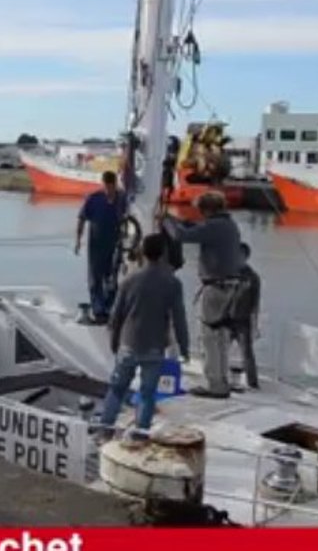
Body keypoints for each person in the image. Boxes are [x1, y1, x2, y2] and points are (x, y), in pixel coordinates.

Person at [97, 232, 190, 441]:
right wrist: (184, 347)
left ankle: (105, 430)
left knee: (117, 390)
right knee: (148, 394)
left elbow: (116, 317)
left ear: (142, 252)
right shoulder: (173, 283)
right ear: (164, 253)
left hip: (128, 344)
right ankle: (140, 436)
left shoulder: (129, 280)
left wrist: (114, 343)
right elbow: (179, 318)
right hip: (154, 347)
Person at [161, 190, 242, 398]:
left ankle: (214, 385)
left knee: (208, 337)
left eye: (200, 211)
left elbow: (181, 235)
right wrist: (176, 219)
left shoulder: (214, 226)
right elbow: (196, 228)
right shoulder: (229, 225)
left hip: (215, 288)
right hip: (231, 287)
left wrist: (165, 221)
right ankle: (222, 382)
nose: (199, 215)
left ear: (207, 210)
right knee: (221, 337)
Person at [74, 170, 126, 323]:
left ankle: (110, 307)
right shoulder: (94, 199)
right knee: (95, 277)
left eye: (111, 186)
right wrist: (78, 240)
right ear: (103, 184)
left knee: (112, 277)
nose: (109, 190)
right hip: (96, 244)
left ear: (115, 184)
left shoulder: (121, 198)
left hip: (115, 243)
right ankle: (98, 309)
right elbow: (82, 218)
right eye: (106, 186)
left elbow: (128, 218)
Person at [228, 242, 261, 390]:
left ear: (246, 257)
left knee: (247, 352)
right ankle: (217, 378)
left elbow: (255, 303)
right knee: (219, 350)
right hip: (226, 319)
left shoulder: (253, 278)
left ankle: (252, 382)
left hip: (243, 321)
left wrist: (255, 325)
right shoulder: (227, 272)